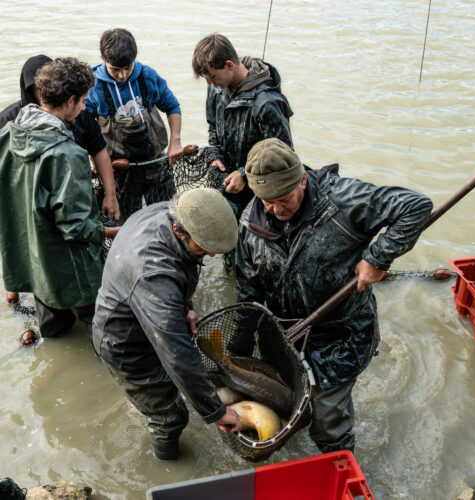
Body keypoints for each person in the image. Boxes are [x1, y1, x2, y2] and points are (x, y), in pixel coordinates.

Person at [233, 138, 433, 453]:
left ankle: (340, 459)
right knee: (284, 401)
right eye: (267, 201)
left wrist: (377, 258)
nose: (276, 209)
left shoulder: (345, 200)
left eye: (284, 199)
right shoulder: (249, 222)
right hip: (288, 333)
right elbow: (247, 289)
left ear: (301, 180)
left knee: (327, 422)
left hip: (344, 333)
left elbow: (416, 206)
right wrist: (238, 350)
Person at [92, 188, 243, 460]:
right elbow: (178, 354)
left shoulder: (170, 209)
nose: (210, 255)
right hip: (124, 345)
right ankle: (167, 468)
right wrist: (217, 413)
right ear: (179, 229)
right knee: (170, 418)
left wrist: (185, 306)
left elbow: (180, 265)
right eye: (204, 247)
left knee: (170, 388)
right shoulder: (154, 274)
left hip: (139, 309)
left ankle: (146, 404)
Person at [0, 57, 119, 338]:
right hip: (67, 265)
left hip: (30, 255)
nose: (85, 107)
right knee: (100, 321)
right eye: (83, 101)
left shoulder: (8, 133)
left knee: (53, 330)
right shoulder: (68, 155)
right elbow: (75, 227)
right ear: (69, 100)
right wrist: (108, 231)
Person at [0, 55, 120, 221]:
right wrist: (104, 232)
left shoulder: (80, 114)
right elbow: (74, 227)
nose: (44, 92)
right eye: (37, 87)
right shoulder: (8, 123)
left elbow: (98, 149)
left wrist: (110, 195)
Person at [192, 33, 294, 217]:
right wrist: (215, 156)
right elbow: (213, 126)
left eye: (212, 76)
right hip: (227, 184)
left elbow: (284, 155)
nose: (208, 82)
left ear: (229, 65)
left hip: (262, 193)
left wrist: (244, 176)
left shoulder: (267, 103)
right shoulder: (216, 89)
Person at [86, 28, 183, 221]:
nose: (122, 75)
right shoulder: (93, 86)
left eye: (127, 68)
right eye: (116, 70)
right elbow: (85, 127)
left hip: (155, 162)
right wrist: (91, 157)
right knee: (127, 223)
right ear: (102, 58)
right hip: (118, 169)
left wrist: (175, 141)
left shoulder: (147, 76)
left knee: (169, 217)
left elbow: (172, 107)